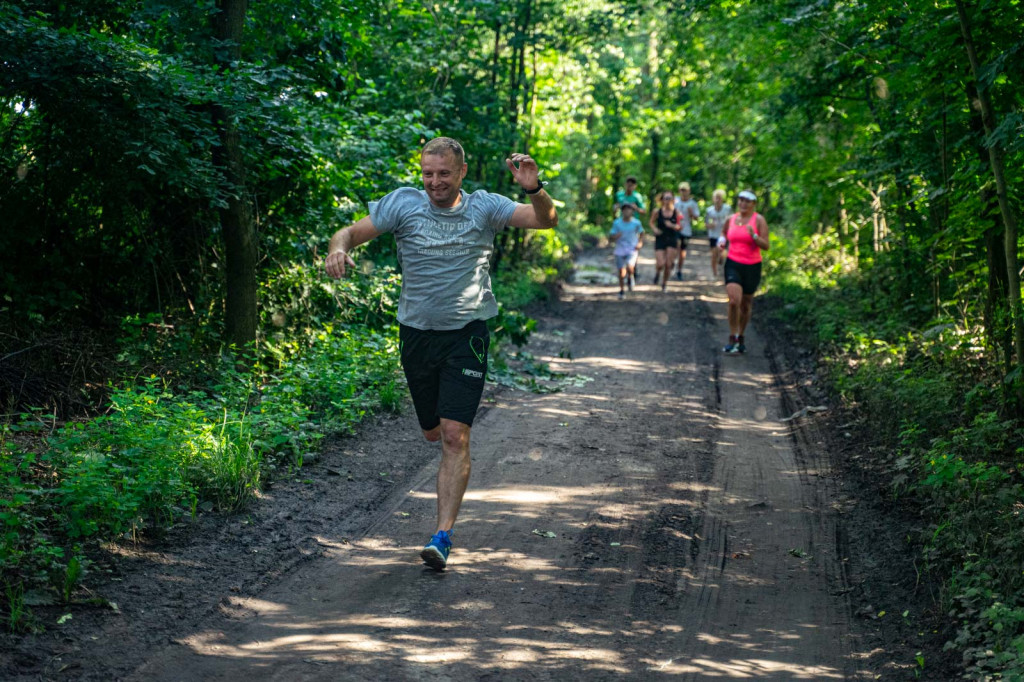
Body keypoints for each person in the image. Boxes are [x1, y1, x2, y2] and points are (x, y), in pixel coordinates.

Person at [323, 137, 557, 570]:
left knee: (454, 436)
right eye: (428, 174)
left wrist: (533, 187)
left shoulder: (484, 206)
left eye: (444, 174)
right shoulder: (403, 204)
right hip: (416, 335)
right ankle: (438, 448)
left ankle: (442, 536)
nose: (435, 182)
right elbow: (350, 233)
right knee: (433, 432)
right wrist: (338, 250)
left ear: (461, 172)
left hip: (466, 336)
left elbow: (546, 220)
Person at [717, 190, 769, 354]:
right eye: (741, 200)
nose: (743, 204)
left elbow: (766, 245)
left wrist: (754, 236)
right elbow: (724, 233)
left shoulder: (758, 220)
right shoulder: (731, 219)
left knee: (746, 305)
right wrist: (722, 242)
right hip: (733, 263)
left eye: (747, 201)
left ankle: (741, 336)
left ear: (754, 204)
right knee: (734, 301)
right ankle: (732, 336)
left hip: (752, 266)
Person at [614, 176, 646, 286]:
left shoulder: (637, 196)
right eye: (628, 184)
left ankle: (632, 270)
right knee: (621, 247)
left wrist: (636, 208)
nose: (630, 186)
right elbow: (615, 207)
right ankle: (623, 270)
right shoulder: (619, 195)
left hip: (634, 225)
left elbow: (644, 211)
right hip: (621, 224)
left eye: (632, 184)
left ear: (635, 186)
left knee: (633, 248)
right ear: (625, 184)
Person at [609, 204, 643, 299]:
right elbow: (611, 236)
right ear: (622, 211)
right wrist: (615, 236)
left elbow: (642, 232)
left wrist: (640, 243)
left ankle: (630, 277)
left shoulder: (636, 223)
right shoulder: (617, 223)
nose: (627, 212)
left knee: (629, 267)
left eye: (629, 210)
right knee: (621, 271)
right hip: (619, 249)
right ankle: (622, 290)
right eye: (625, 210)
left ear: (632, 211)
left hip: (632, 249)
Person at [649, 190, 681, 292]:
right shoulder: (657, 212)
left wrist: (672, 225)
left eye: (669, 198)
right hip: (660, 238)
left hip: (672, 238)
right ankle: (658, 272)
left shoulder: (676, 212)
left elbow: (680, 226)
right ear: (662, 200)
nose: (667, 200)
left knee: (668, 264)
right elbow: (651, 223)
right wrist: (655, 229)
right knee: (660, 263)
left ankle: (664, 283)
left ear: (673, 200)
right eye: (665, 198)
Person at [673, 182, 701, 280]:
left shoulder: (692, 204)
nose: (683, 192)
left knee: (682, 251)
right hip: (675, 229)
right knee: (675, 247)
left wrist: (691, 213)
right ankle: (672, 263)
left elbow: (696, 218)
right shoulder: (675, 201)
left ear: (689, 191)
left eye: (685, 190)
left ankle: (679, 270)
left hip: (686, 230)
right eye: (681, 190)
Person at [704, 189, 731, 278]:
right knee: (714, 254)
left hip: (723, 235)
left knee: (721, 252)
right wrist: (710, 225)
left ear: (722, 199)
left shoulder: (727, 209)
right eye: (716, 198)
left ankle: (721, 259)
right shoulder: (709, 210)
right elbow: (706, 224)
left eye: (719, 198)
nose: (717, 200)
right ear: (713, 199)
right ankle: (714, 274)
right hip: (713, 235)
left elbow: (733, 220)